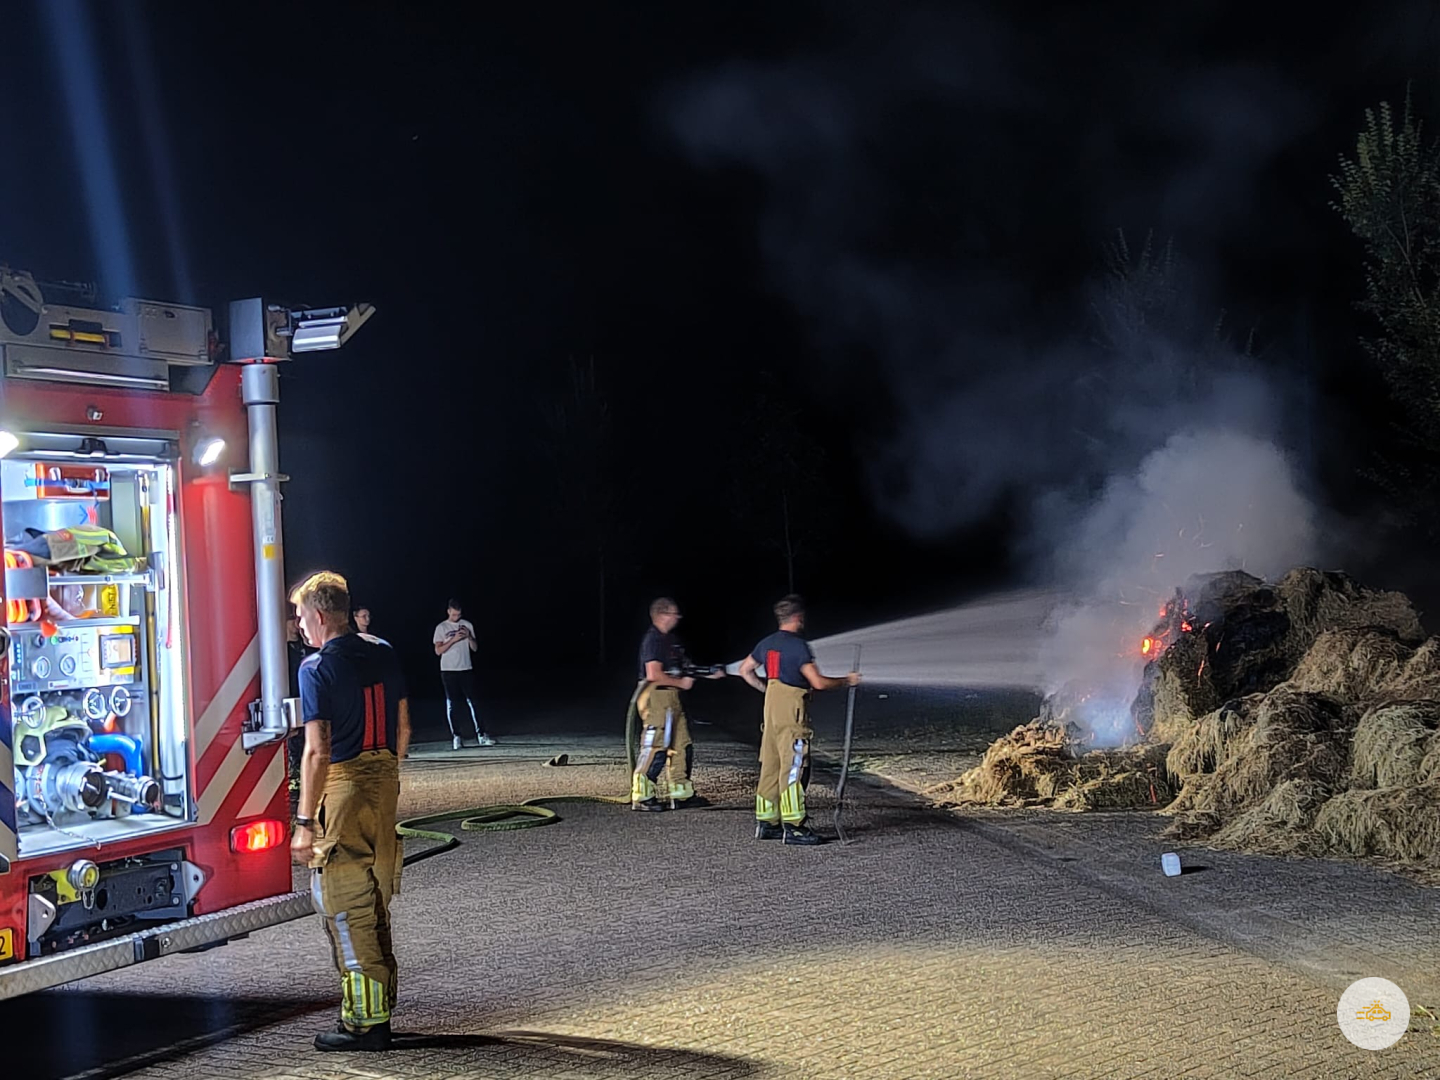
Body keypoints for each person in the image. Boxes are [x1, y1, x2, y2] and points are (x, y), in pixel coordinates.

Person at [290, 570, 410, 1051]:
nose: (299, 626)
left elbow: (317, 751)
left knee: (343, 903)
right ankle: (381, 1008)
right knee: (374, 898)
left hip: (344, 783)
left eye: (301, 616)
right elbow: (402, 726)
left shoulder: (315, 669)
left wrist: (304, 823)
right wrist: (386, 775)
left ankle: (364, 1024)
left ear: (320, 616)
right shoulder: (383, 651)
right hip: (385, 783)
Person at [737, 594, 860, 846]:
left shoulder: (767, 643)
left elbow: (744, 670)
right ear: (798, 618)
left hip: (771, 712)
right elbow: (818, 682)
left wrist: (766, 689)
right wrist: (847, 681)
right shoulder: (799, 646)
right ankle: (794, 828)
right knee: (794, 767)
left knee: (770, 765)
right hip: (792, 713)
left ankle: (767, 823)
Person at [630, 597, 723, 811]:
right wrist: (681, 682)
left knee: (682, 746)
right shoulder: (653, 639)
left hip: (672, 697)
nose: (678, 617)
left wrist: (709, 672)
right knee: (656, 746)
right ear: (662, 615)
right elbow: (654, 674)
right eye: (674, 613)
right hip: (657, 697)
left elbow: (684, 668)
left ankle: (681, 795)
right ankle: (642, 796)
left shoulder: (670, 640)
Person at [433, 598, 493, 749]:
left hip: (466, 668)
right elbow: (438, 650)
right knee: (452, 704)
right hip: (448, 670)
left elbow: (474, 648)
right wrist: (453, 639)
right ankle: (457, 737)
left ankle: (482, 734)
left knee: (474, 702)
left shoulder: (467, 625)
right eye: (453, 615)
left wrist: (469, 637)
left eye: (458, 615)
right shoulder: (441, 627)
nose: (456, 618)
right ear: (448, 612)